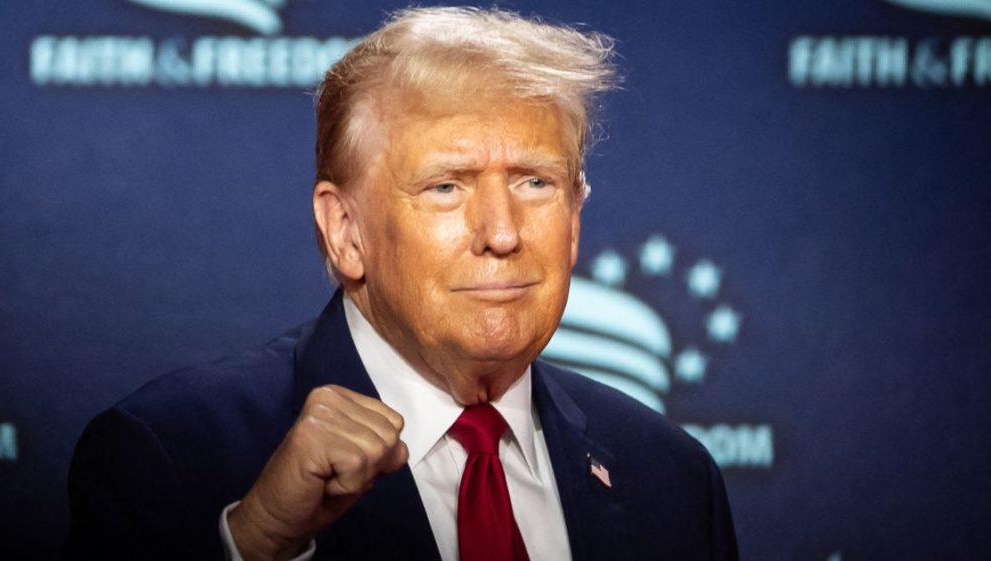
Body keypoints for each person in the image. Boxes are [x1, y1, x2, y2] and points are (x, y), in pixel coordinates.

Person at [63, 6, 739, 561]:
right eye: (447, 187)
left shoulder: (671, 478)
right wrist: (260, 544)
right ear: (346, 230)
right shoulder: (172, 454)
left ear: (574, 220)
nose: (502, 232)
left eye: (536, 182)